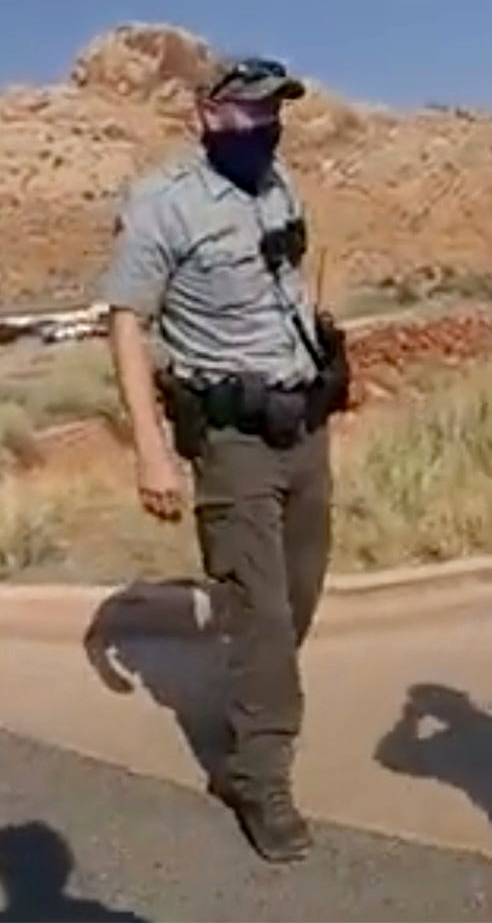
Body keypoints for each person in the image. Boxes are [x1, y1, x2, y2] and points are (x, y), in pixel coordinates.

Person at [100, 56, 350, 864]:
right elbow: (129, 323)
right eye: (247, 112)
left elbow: (294, 278)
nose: (263, 126)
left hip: (303, 425)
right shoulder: (162, 203)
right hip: (232, 440)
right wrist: (151, 451)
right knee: (262, 614)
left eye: (273, 110)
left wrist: (325, 347)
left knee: (298, 595)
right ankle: (260, 777)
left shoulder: (280, 184)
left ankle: (252, 700)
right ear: (204, 114)